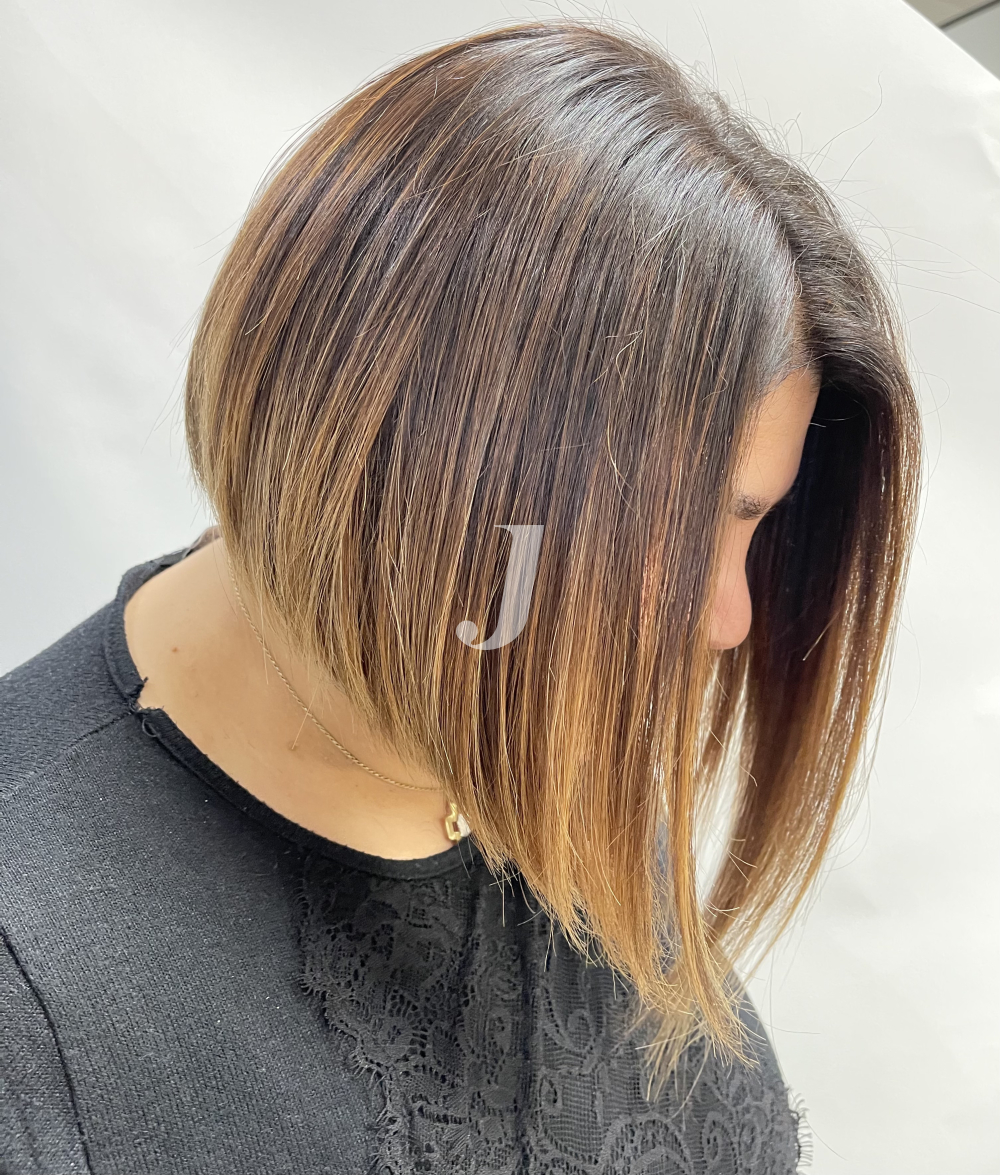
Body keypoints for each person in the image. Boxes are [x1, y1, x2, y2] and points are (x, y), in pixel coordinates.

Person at [0, 17, 921, 1175]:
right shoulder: (37, 980)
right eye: (697, 524)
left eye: (754, 525)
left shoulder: (524, 747)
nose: (727, 617)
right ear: (450, 463)